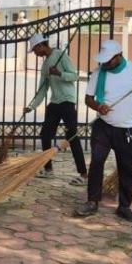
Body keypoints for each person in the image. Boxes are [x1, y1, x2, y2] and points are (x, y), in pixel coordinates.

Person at [73, 40, 132, 222]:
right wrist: (98, 106)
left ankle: (124, 206)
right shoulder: (98, 72)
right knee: (96, 162)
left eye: (109, 60)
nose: (105, 63)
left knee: (128, 168)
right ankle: (92, 201)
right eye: (103, 60)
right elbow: (88, 99)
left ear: (119, 56)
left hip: (128, 129)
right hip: (103, 127)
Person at [25, 33, 87, 185]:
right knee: (45, 135)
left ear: (41, 46)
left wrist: (59, 73)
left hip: (67, 100)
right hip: (55, 102)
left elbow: (75, 76)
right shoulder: (45, 65)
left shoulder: (61, 55)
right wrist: (31, 106)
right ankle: (48, 170)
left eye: (34, 50)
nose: (35, 53)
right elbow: (42, 89)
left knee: (72, 136)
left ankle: (84, 174)